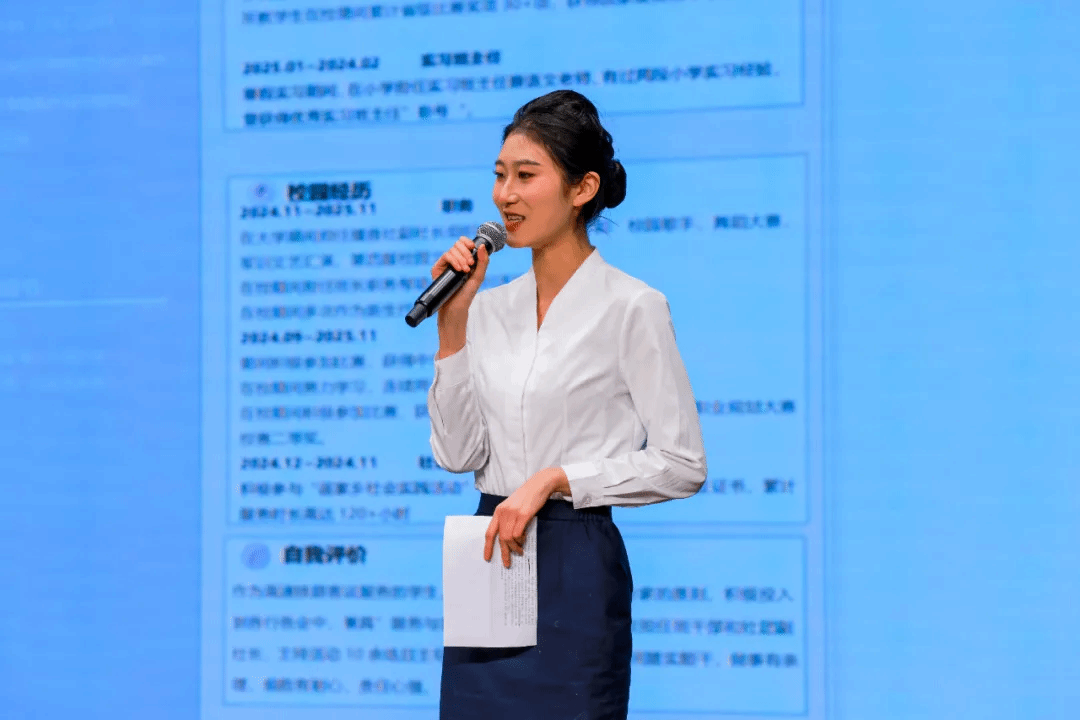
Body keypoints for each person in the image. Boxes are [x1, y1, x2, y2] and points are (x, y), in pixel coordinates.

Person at [427, 89, 707, 720]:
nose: (505, 195)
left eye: (526, 176)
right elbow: (458, 455)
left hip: (576, 559)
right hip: (490, 552)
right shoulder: (486, 308)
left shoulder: (632, 306)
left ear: (583, 188)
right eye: (500, 175)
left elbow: (683, 463)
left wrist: (557, 479)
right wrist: (453, 328)